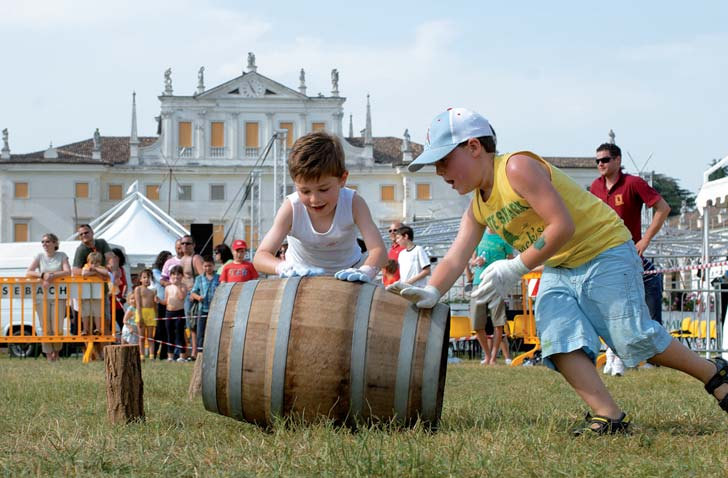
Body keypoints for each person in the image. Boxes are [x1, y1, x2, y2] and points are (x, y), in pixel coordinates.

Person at [394, 107, 728, 435]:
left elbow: (561, 225)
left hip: (604, 250)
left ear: (473, 147)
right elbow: (454, 257)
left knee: (632, 337)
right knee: (558, 336)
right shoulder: (478, 207)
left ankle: (714, 373)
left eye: (443, 161)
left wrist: (514, 267)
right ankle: (608, 414)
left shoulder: (516, 167)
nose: (439, 171)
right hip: (560, 264)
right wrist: (432, 291)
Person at [253, 131, 386, 281]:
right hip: (300, 276)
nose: (315, 199)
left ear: (342, 179)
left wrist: (366, 271)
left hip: (351, 274)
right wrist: (283, 267)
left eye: (323, 189)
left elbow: (378, 250)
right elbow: (260, 256)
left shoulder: (354, 203)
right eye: (305, 191)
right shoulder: (291, 207)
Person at [591, 142, 671, 376]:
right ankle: (613, 354)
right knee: (607, 307)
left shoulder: (633, 183)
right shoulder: (595, 186)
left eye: (604, 160)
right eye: (597, 161)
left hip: (627, 255)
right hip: (600, 254)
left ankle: (620, 357)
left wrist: (644, 241)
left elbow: (663, 208)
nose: (600, 164)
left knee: (626, 307)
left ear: (617, 160)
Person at [468, 227, 514, 365]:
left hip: (497, 283)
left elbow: (511, 262)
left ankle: (493, 358)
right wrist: (476, 262)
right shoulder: (479, 236)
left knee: (498, 322)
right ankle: (487, 355)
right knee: (476, 323)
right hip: (478, 282)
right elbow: (472, 260)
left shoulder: (505, 238)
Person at [26, 233, 71, 362]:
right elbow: (29, 272)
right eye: (43, 242)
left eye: (47, 241)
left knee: (57, 326)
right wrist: (42, 275)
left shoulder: (62, 255)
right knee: (45, 326)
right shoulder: (39, 256)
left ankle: (56, 354)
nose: (45, 244)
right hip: (42, 295)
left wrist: (52, 276)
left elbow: (68, 272)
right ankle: (48, 356)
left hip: (58, 296)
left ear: (55, 243)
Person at [190, 255, 220, 353]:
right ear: (203, 266)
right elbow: (193, 292)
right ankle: (200, 354)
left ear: (214, 266)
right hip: (202, 309)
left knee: (214, 332)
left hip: (215, 310)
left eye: (210, 266)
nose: (208, 268)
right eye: (206, 266)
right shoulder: (199, 278)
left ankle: (213, 352)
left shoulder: (218, 278)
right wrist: (198, 298)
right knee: (200, 333)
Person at [160, 265, 187, 362]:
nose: (176, 277)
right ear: (170, 276)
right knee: (169, 335)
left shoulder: (183, 286)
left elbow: (181, 297)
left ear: (182, 276)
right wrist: (159, 300)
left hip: (179, 312)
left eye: (178, 274)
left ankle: (182, 356)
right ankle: (170, 356)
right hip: (169, 312)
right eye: (174, 274)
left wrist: (178, 286)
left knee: (179, 334)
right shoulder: (167, 288)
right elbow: (165, 302)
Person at [81, 252, 110, 335]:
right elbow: (84, 274)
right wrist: (96, 274)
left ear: (100, 262)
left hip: (97, 294)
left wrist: (96, 270)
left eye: (96, 262)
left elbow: (106, 273)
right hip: (86, 293)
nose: (94, 265)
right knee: (85, 312)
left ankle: (98, 328)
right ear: (88, 262)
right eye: (92, 263)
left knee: (97, 312)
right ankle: (85, 329)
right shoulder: (86, 267)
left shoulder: (101, 268)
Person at [151, 250, 172, 360]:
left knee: (167, 329)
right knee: (160, 329)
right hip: (160, 302)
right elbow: (162, 281)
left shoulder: (170, 272)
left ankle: (164, 354)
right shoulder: (156, 271)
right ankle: (153, 352)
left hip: (169, 302)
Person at [134, 269, 157, 360]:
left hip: (151, 313)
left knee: (151, 337)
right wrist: (140, 317)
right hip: (141, 312)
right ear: (140, 279)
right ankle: (141, 355)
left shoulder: (153, 291)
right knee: (142, 337)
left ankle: (151, 356)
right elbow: (138, 304)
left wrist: (156, 316)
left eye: (148, 277)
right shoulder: (138, 289)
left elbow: (155, 305)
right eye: (144, 277)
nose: (147, 279)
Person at [108, 248, 129, 335]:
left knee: (124, 323)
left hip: (119, 302)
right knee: (109, 325)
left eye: (116, 256)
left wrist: (124, 294)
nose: (114, 258)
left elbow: (125, 284)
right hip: (109, 301)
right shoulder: (107, 269)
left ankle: (125, 340)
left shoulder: (121, 269)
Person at [385, 220, 403, 285]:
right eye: (390, 231)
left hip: (399, 288)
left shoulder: (405, 249)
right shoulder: (390, 249)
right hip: (388, 287)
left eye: (395, 230)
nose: (392, 232)